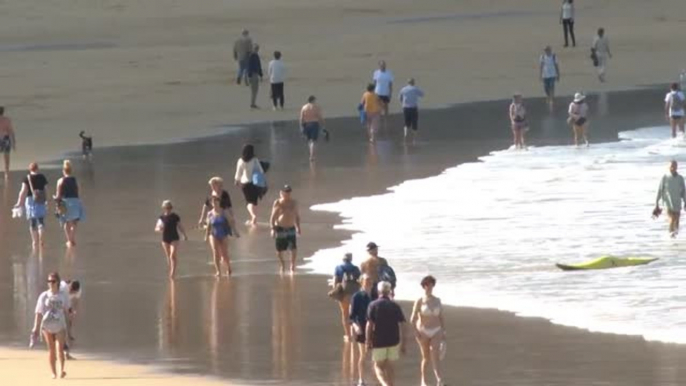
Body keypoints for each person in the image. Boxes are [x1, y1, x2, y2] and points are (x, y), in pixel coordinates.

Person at [366, 281, 407, 386]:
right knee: (390, 366)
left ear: (378, 291)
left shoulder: (373, 305)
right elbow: (403, 324)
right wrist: (403, 343)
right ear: (389, 292)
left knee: (378, 366)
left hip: (379, 340)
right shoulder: (395, 306)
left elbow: (369, 325)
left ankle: (385, 384)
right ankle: (391, 384)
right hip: (394, 340)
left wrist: (367, 341)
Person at [31, 272, 70, 379]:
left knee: (60, 349)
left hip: (60, 325)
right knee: (51, 350)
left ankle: (61, 370)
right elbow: (38, 312)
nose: (50, 283)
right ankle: (53, 373)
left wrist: (70, 321)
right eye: (49, 281)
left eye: (53, 281)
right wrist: (35, 328)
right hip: (47, 326)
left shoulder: (63, 296)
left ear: (57, 282)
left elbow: (67, 309)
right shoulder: (44, 296)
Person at [410, 276, 446, 386]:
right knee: (426, 357)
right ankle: (423, 381)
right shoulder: (420, 301)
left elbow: (441, 317)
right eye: (426, 285)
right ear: (423, 286)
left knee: (435, 354)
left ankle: (439, 380)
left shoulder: (437, 300)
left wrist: (444, 332)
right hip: (423, 331)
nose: (429, 287)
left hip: (436, 330)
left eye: (431, 284)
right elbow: (412, 319)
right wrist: (415, 331)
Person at [14, 163, 49, 248]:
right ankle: (41, 238)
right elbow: (46, 190)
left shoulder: (27, 178)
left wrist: (19, 203)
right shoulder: (42, 177)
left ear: (30, 169)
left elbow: (23, 191)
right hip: (41, 200)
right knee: (41, 221)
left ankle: (34, 241)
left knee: (32, 222)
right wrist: (47, 200)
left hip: (30, 200)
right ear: (37, 168)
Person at [270, 185, 301, 273]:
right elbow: (272, 217)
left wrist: (298, 227)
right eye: (285, 192)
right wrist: (272, 229)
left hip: (291, 228)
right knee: (279, 250)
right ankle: (282, 264)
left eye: (289, 192)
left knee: (293, 248)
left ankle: (292, 265)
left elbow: (297, 216)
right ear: (281, 193)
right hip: (280, 228)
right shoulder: (278, 203)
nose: (287, 194)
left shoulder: (294, 203)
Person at [205, 196, 240, 276]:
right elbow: (208, 225)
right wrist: (206, 235)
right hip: (213, 234)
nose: (215, 203)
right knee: (215, 252)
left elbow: (231, 222)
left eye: (216, 201)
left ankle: (229, 268)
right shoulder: (209, 213)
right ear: (211, 203)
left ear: (219, 202)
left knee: (224, 254)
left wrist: (235, 231)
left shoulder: (224, 212)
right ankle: (218, 271)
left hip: (223, 233)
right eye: (213, 201)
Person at [349, 274, 374, 386]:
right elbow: (352, 316)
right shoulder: (357, 296)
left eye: (370, 280)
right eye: (367, 280)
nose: (369, 282)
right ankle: (361, 379)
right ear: (361, 282)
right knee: (363, 354)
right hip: (362, 327)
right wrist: (355, 326)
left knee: (376, 355)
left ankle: (377, 377)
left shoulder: (375, 295)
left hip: (375, 328)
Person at [54, 160, 84, 247]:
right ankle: (72, 239)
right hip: (75, 201)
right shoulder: (76, 180)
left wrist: (56, 200)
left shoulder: (60, 181)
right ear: (71, 170)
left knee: (66, 223)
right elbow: (79, 192)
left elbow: (58, 195)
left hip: (64, 202)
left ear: (63, 171)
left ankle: (69, 240)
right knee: (74, 222)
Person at [331, 253, 361, 341]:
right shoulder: (355, 268)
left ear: (343, 259)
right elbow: (360, 280)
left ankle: (348, 335)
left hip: (344, 293)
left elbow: (335, 281)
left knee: (345, 314)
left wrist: (335, 291)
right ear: (351, 259)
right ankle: (354, 334)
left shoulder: (338, 268)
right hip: (355, 293)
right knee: (354, 314)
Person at [155, 200, 188, 278]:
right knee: (168, 255)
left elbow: (180, 226)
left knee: (172, 255)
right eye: (166, 207)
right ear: (164, 208)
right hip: (165, 238)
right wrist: (159, 229)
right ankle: (170, 269)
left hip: (174, 238)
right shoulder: (161, 217)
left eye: (169, 207)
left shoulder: (175, 216)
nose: (168, 208)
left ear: (171, 207)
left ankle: (172, 273)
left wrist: (184, 235)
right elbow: (156, 228)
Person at [234, 144, 265, 225]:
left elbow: (238, 173)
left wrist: (236, 181)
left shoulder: (240, 160)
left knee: (248, 202)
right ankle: (253, 219)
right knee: (254, 202)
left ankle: (253, 216)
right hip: (255, 183)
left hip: (245, 184)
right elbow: (261, 170)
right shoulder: (255, 159)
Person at [655, 160, 686, 238]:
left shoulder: (680, 178)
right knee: (672, 219)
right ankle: (670, 236)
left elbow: (683, 191)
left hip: (677, 204)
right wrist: (656, 203)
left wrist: (685, 202)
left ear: (677, 167)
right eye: (671, 166)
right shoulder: (665, 177)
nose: (673, 168)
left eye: (674, 166)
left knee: (677, 223)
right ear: (668, 167)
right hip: (668, 204)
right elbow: (660, 190)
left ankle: (675, 240)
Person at [299, 96, 325, 161]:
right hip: (314, 124)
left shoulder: (304, 107)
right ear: (313, 100)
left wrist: (301, 126)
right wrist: (323, 124)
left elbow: (301, 118)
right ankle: (312, 156)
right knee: (313, 141)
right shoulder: (315, 107)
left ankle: (311, 154)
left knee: (309, 141)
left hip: (306, 124)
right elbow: (319, 117)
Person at [0, 106, 16, 180]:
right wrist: (13, 143)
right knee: (6, 157)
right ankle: (6, 172)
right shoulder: (7, 120)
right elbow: (11, 132)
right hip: (5, 139)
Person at [248, 43, 264, 109]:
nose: (257, 50)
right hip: (253, 74)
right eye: (256, 48)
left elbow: (259, 66)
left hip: (255, 74)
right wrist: (249, 76)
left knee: (255, 90)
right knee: (254, 90)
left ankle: (253, 103)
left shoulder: (255, 55)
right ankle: (252, 104)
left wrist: (260, 74)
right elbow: (250, 66)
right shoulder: (252, 55)